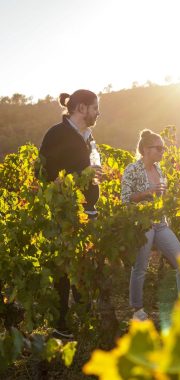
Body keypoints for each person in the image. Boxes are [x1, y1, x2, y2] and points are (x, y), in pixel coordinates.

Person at [36, 89, 102, 338]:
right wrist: (78, 179)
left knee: (84, 265)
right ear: (81, 108)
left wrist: (93, 177)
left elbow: (85, 169)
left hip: (88, 211)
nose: (98, 112)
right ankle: (61, 324)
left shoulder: (87, 136)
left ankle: (83, 317)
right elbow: (42, 174)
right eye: (95, 107)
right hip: (64, 213)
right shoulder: (57, 134)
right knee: (62, 268)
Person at [121, 129, 180, 321]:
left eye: (163, 149)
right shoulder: (132, 170)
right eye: (158, 148)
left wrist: (166, 198)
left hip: (160, 223)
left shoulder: (159, 170)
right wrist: (147, 192)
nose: (162, 152)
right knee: (140, 267)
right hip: (143, 224)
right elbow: (125, 199)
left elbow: (160, 197)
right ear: (145, 150)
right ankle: (137, 310)